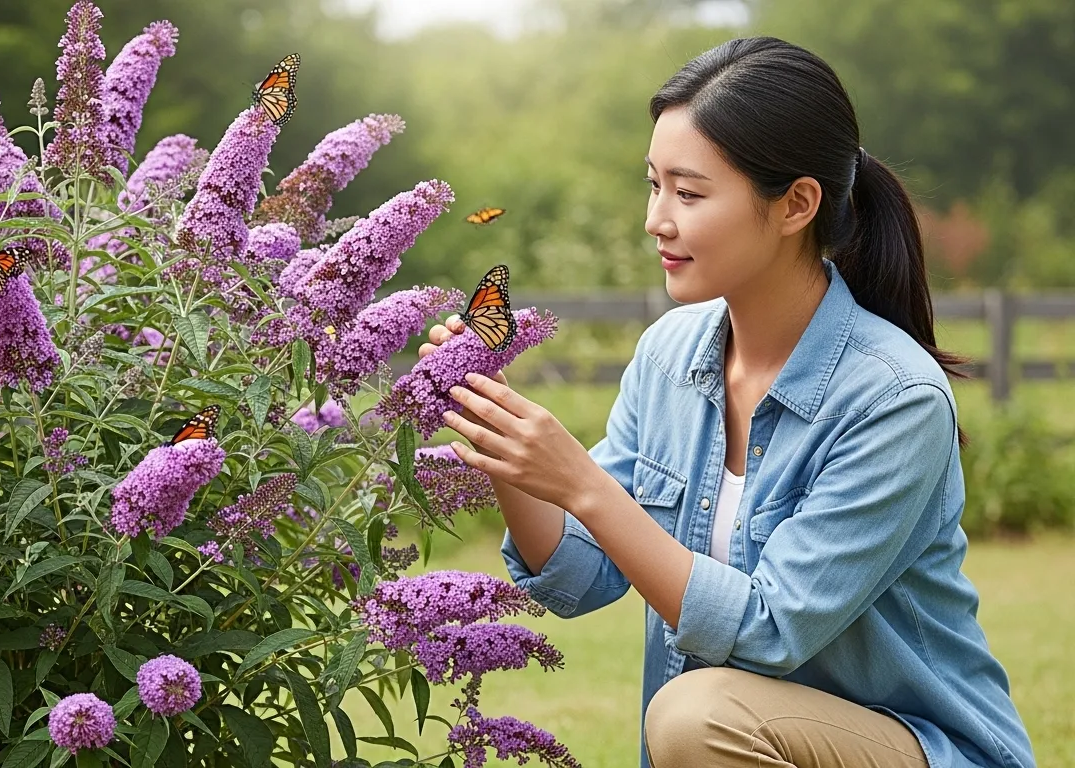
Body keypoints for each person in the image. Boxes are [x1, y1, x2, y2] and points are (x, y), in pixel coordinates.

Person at [419, 36, 1034, 768]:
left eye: (690, 192)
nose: (656, 219)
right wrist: (504, 439)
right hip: (747, 738)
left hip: (923, 749)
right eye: (653, 184)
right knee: (694, 713)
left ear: (796, 204)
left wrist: (581, 483)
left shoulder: (894, 399)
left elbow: (771, 630)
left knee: (694, 713)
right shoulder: (670, 354)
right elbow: (579, 580)